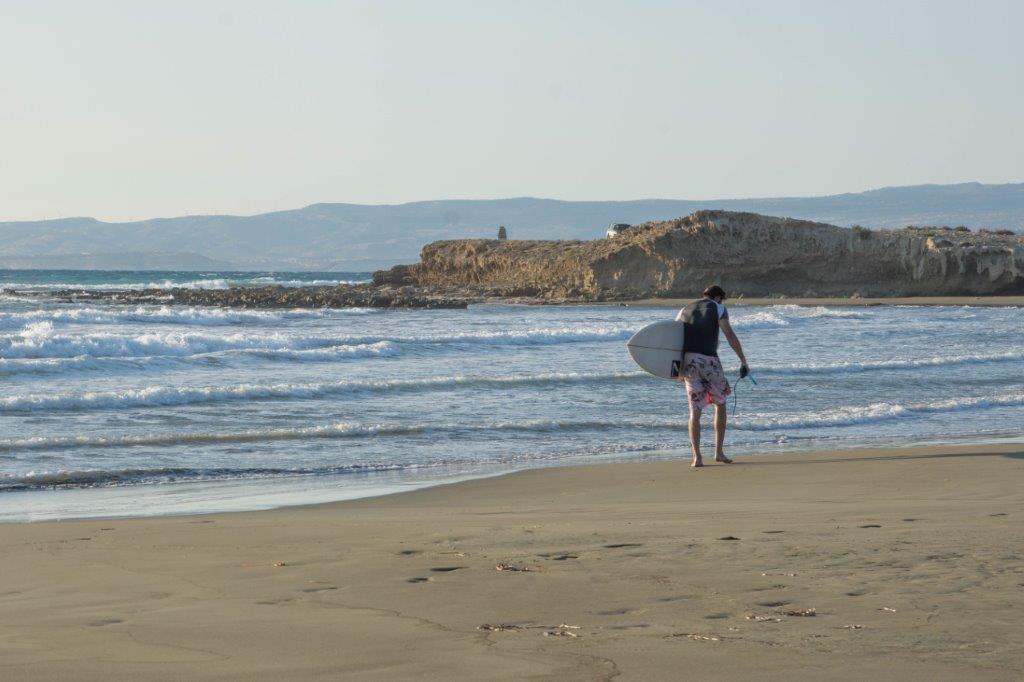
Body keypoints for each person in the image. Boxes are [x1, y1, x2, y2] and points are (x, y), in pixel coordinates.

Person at [675, 285, 749, 468]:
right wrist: (743, 361)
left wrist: (677, 370)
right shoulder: (719, 308)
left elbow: (674, 339)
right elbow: (729, 334)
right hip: (709, 361)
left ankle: (697, 458)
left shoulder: (684, 310)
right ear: (718, 297)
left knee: (694, 410)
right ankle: (718, 452)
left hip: (689, 362)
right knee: (721, 402)